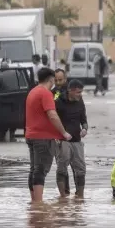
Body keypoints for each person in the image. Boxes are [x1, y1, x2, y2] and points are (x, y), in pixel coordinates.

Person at [25, 67, 73, 203]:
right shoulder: (45, 93)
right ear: (51, 79)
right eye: (53, 80)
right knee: (41, 170)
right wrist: (63, 132)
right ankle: (38, 204)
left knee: (34, 169)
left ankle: (34, 201)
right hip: (43, 138)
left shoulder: (32, 92)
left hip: (31, 136)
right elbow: (52, 115)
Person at [55, 79, 88, 197]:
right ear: (70, 91)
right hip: (63, 140)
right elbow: (53, 120)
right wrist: (57, 136)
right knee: (62, 167)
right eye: (78, 92)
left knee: (81, 169)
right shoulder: (59, 102)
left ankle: (80, 196)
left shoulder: (80, 101)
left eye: (81, 92)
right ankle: (63, 197)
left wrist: (85, 129)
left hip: (77, 140)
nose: (80, 94)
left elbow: (84, 119)